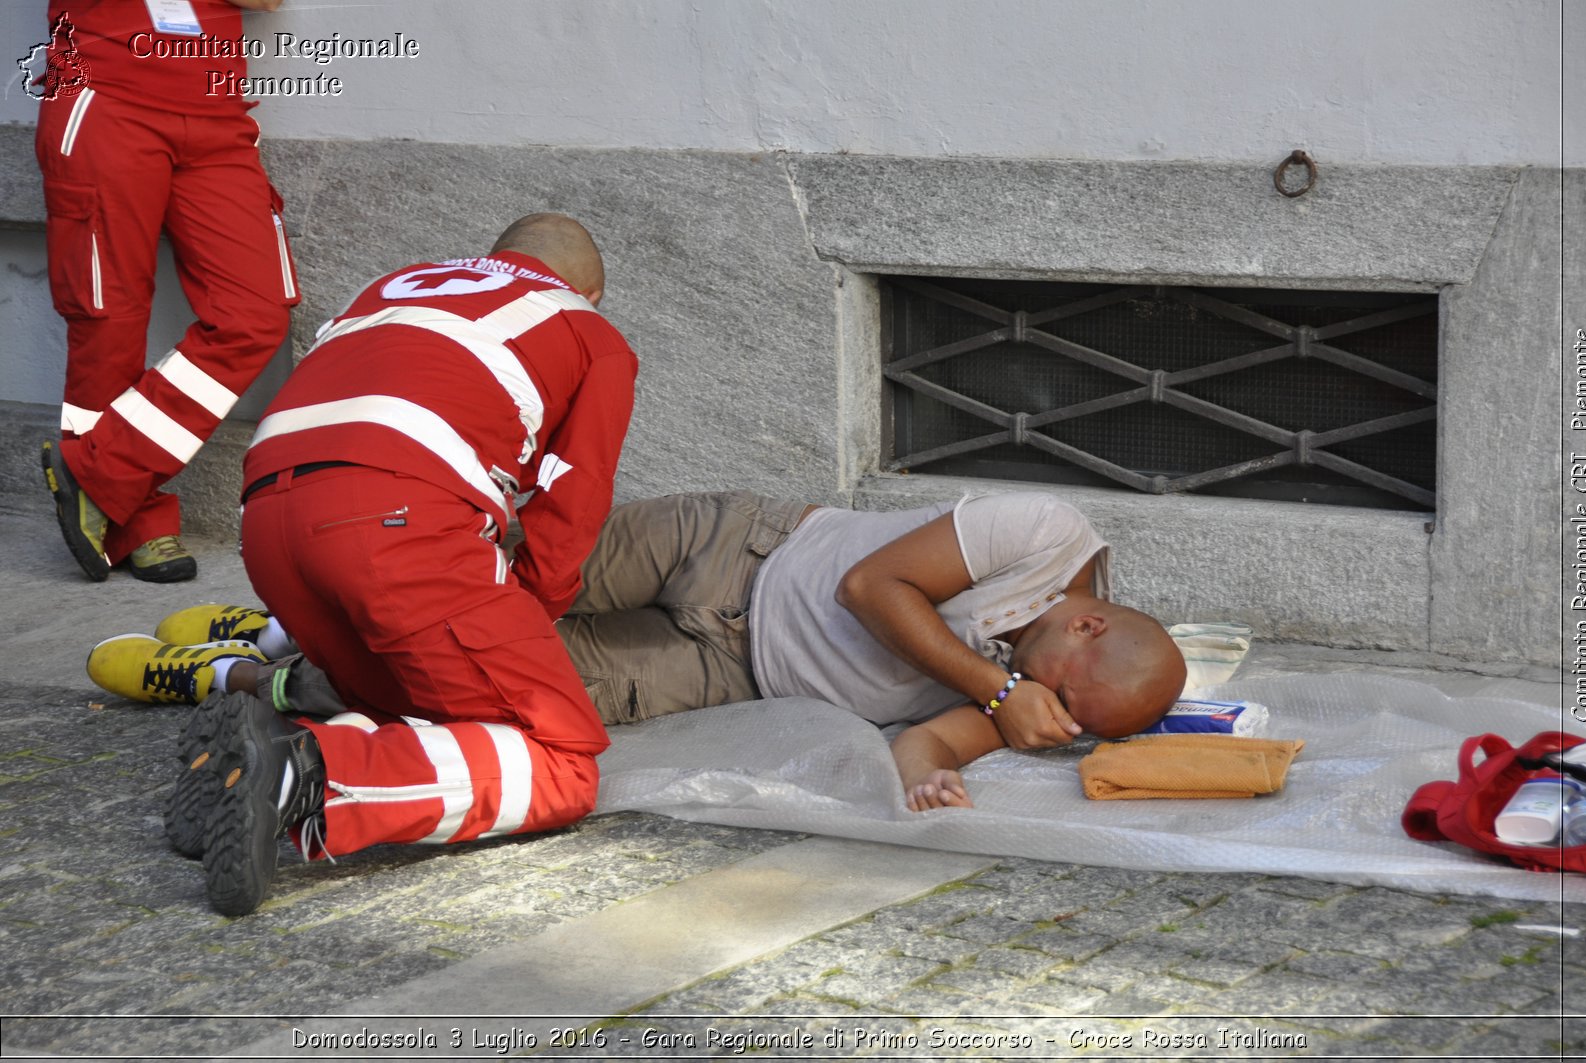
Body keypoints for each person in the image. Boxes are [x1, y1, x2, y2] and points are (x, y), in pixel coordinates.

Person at [94, 213, 637, 917]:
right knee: (562, 757)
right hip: (393, 521)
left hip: (267, 521)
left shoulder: (390, 289)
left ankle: (251, 759)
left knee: (411, 709)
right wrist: (525, 620)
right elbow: (574, 506)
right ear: (588, 291)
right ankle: (305, 774)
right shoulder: (587, 331)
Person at [97, 489, 1183, 825]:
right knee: (509, 574)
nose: (1055, 711)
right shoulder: (1041, 533)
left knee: (479, 676)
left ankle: (248, 674)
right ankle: (276, 618)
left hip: (724, 670)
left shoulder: (1040, 686)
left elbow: (941, 734)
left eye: (1074, 719)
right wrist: (1000, 683)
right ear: (1083, 623)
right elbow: (871, 587)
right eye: (1063, 690)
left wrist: (931, 775)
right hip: (738, 551)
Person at [34, 0, 300, 583]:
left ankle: (102, 475)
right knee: (108, 318)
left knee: (254, 316)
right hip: (105, 99)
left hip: (216, 117)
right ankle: (137, 521)